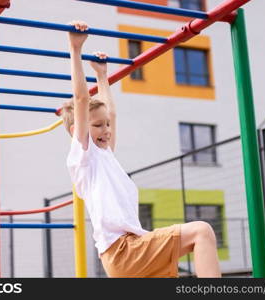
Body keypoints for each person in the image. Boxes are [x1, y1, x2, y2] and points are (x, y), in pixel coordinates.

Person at [62, 20, 221, 278]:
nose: (106, 130)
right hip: (123, 250)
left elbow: (110, 111)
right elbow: (81, 99)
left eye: (108, 125)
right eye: (98, 126)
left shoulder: (105, 156)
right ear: (77, 131)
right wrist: (75, 49)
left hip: (131, 249)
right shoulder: (83, 156)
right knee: (201, 231)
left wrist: (103, 76)